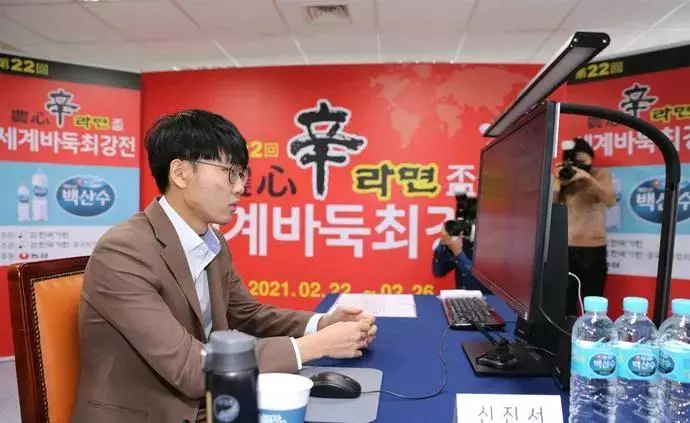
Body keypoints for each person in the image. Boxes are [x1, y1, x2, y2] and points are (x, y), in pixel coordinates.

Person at [71, 110, 377, 423]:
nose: (240, 187)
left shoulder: (211, 240)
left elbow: (247, 314)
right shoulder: (123, 252)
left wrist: (322, 324)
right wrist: (312, 347)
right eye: (230, 172)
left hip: (211, 401)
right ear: (180, 173)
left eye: (242, 174)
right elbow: (190, 368)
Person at [553, 137, 616, 316]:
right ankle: (565, 332)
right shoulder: (565, 177)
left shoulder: (599, 174)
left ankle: (592, 330)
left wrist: (587, 177)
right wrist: (558, 181)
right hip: (566, 247)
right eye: (574, 160)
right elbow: (551, 206)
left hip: (593, 248)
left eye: (583, 160)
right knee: (564, 300)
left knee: (593, 300)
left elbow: (610, 199)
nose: (579, 164)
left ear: (590, 157)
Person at [432, 228, 492, 295]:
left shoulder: (495, 250)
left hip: (487, 298)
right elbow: (438, 272)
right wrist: (441, 245)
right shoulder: (464, 246)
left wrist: (459, 254)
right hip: (460, 298)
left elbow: (475, 274)